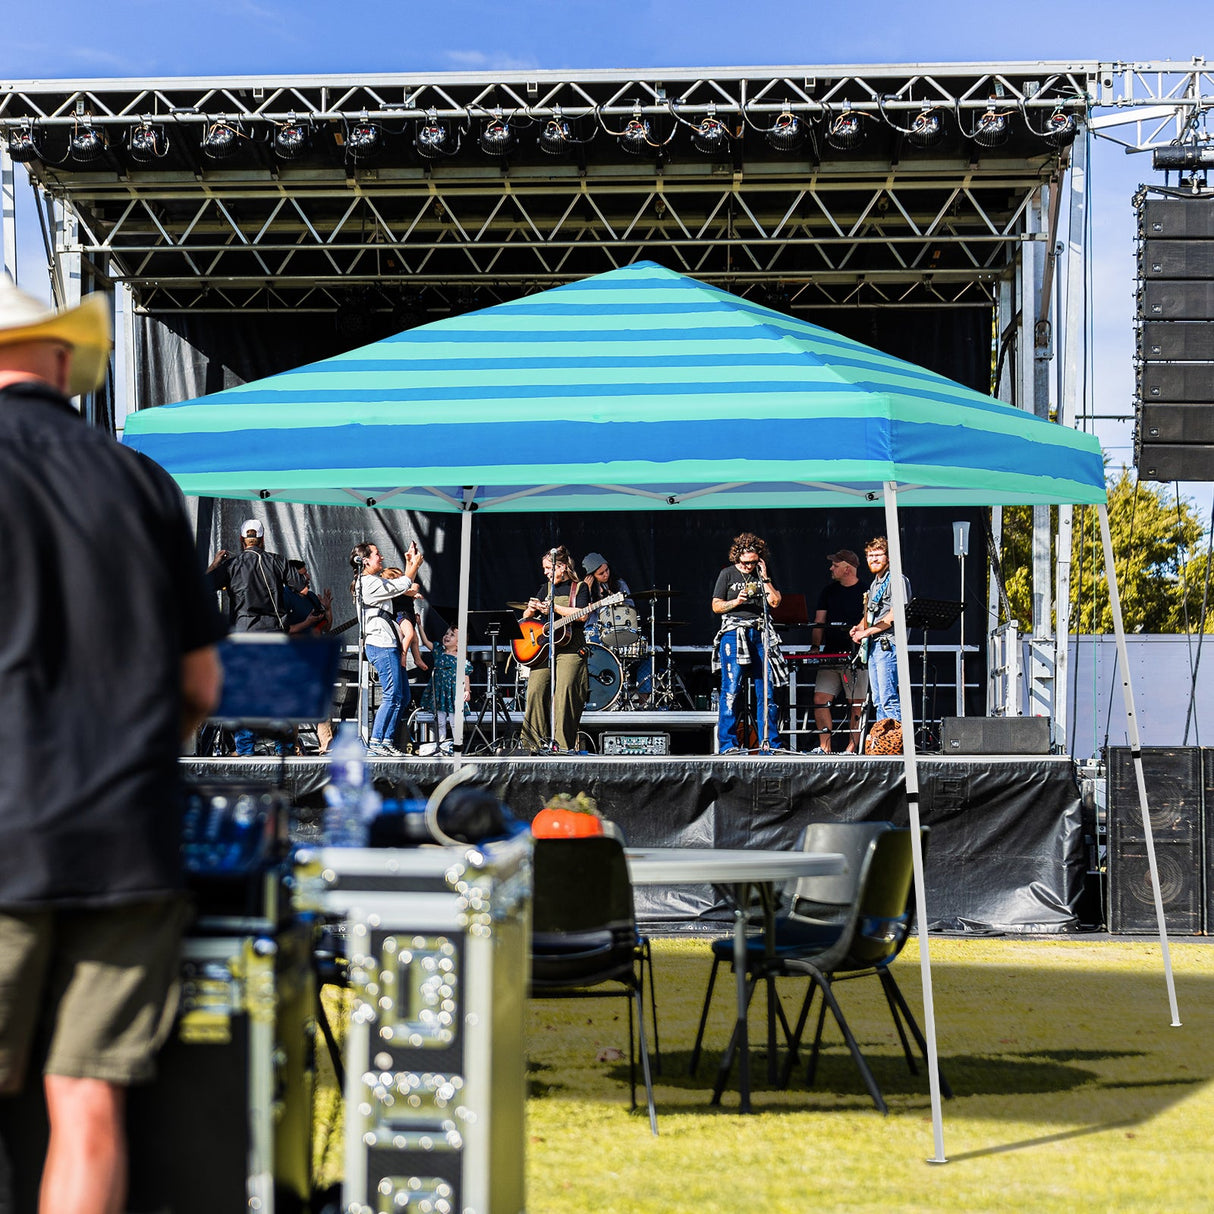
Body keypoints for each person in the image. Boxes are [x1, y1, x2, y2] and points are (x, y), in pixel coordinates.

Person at [0, 277, 224, 1214]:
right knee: (87, 1105)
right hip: (127, 839)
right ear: (63, 359)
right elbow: (201, 686)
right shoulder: (142, 483)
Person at [206, 518, 291, 756]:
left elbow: (203, 585)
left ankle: (245, 749)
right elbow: (301, 585)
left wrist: (215, 565)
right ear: (263, 539)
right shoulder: (276, 561)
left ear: (242, 540)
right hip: (273, 634)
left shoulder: (232, 565)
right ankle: (283, 747)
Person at [711, 532, 788, 754]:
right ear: (737, 558)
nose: (748, 567)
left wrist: (764, 577)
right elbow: (716, 606)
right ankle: (728, 744)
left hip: (760, 632)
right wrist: (736, 601)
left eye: (753, 562)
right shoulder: (727, 574)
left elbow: (775, 602)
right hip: (734, 633)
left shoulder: (763, 574)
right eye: (745, 563)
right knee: (731, 689)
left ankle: (769, 744)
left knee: (767, 691)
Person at [351, 541, 424, 757]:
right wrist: (414, 565)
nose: (381, 557)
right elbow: (402, 585)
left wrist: (411, 563)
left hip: (388, 642)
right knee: (392, 695)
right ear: (364, 561)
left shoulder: (372, 581)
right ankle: (377, 742)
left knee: (402, 695)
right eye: (377, 554)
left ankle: (386, 741)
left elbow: (402, 585)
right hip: (381, 644)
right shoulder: (367, 583)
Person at [519, 546, 590, 752]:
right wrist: (531, 610)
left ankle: (562, 746)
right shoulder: (545, 588)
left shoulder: (580, 587)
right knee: (536, 689)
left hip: (571, 647)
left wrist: (554, 608)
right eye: (544, 568)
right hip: (545, 648)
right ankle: (531, 745)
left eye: (548, 568)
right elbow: (526, 618)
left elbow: (583, 614)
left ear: (562, 567)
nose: (545, 572)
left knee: (565, 693)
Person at [810, 549, 869, 754]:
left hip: (856, 657)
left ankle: (851, 748)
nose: (831, 568)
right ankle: (824, 746)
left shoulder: (866, 591)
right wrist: (816, 647)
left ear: (847, 569)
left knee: (856, 703)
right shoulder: (828, 592)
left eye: (835, 565)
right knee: (820, 700)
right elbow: (819, 622)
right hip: (830, 655)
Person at [850, 535, 911, 726]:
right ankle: (884, 744)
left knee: (888, 698)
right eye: (870, 555)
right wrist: (859, 627)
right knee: (878, 700)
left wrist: (866, 633)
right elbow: (870, 614)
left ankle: (897, 747)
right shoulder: (875, 583)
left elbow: (895, 615)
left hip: (888, 645)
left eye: (878, 555)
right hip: (875, 647)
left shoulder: (896, 579)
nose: (873, 559)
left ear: (889, 557)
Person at [285, 559, 335, 754]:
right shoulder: (284, 596)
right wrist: (306, 623)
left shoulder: (312, 597)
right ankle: (293, 746)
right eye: (302, 574)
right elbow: (284, 630)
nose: (307, 577)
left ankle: (327, 744)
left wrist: (328, 609)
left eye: (307, 573)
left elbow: (326, 626)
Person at [419, 626, 472, 755]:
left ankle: (457, 747)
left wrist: (467, 690)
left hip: (454, 693)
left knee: (455, 722)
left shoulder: (460, 658)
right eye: (446, 633)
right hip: (440, 692)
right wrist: (419, 626)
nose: (447, 636)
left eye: (452, 635)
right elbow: (426, 642)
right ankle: (440, 746)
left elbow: (465, 675)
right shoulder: (438, 651)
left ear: (459, 643)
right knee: (440, 721)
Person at [580, 551, 635, 646]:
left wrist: (614, 597)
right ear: (591, 576)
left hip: (616, 626)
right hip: (594, 629)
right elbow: (582, 614)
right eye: (601, 573)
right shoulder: (585, 588)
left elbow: (631, 606)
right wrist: (586, 592)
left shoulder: (619, 584)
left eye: (607, 570)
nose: (606, 574)